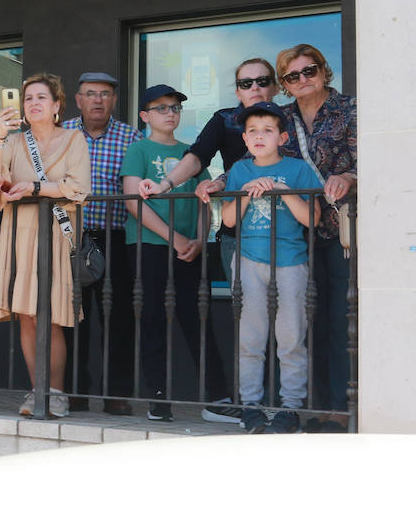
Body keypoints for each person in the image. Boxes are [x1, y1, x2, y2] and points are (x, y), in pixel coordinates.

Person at [0, 74, 90, 418]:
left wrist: (34, 187)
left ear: (57, 105)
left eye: (42, 97)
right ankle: (36, 391)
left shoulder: (74, 139)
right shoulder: (13, 142)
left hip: (55, 231)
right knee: (26, 316)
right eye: (28, 99)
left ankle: (55, 393)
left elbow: (78, 186)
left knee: (50, 316)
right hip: (18, 233)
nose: (34, 103)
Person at [120, 84, 230, 421]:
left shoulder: (192, 153)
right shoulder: (138, 150)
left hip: (192, 250)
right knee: (153, 320)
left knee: (198, 319)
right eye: (162, 108)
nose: (170, 113)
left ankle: (217, 398)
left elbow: (203, 200)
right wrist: (174, 239)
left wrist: (198, 239)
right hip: (149, 246)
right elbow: (132, 200)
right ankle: (158, 399)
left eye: (175, 108)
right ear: (145, 116)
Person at [221, 102, 322, 435]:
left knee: (291, 337)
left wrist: (282, 190)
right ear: (245, 139)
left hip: (290, 262)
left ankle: (290, 407)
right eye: (252, 131)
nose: (259, 136)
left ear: (282, 137)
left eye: (267, 130)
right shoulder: (239, 171)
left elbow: (313, 219)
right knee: (251, 339)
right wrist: (251, 192)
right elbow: (229, 219)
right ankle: (251, 406)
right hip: (249, 261)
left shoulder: (297, 170)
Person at [276, 43, 356, 432]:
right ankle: (322, 405)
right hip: (301, 233)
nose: (303, 79)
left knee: (341, 320)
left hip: (343, 232)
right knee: (313, 320)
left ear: (324, 71)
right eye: (293, 76)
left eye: (309, 71)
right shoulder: (281, 118)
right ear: (284, 84)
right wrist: (222, 180)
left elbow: (381, 157)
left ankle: (343, 407)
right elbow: (259, 159)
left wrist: (350, 177)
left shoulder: (351, 110)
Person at [138, 57, 279, 277]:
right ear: (238, 92)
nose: (254, 87)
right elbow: (197, 156)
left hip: (290, 233)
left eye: (262, 81)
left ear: (275, 87)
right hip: (238, 233)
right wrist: (164, 185)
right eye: (246, 83)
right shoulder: (224, 119)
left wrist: (220, 182)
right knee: (245, 309)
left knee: (295, 307)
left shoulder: (290, 120)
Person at [61, 71, 141, 414]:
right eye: (90, 94)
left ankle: (115, 394)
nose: (98, 100)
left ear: (114, 100)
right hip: (67, 239)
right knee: (71, 320)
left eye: (105, 94)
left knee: (117, 319)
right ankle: (74, 391)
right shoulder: (60, 133)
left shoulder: (131, 136)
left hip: (115, 239)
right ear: (78, 100)